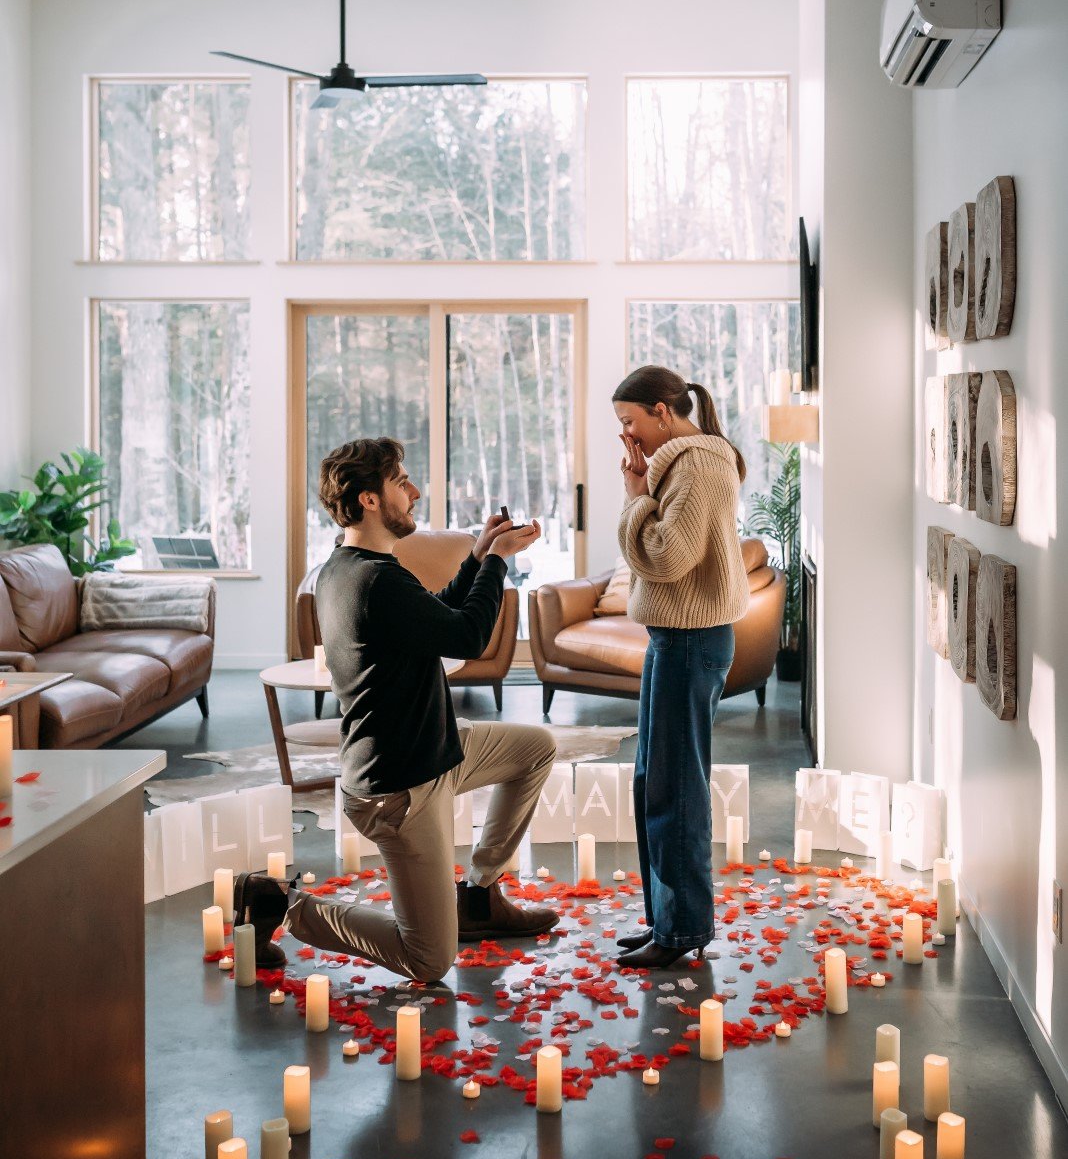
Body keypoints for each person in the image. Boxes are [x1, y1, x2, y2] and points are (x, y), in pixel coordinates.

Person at [236, 437, 559, 982]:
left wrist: (480, 553)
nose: (414, 491)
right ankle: (281, 903)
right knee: (428, 959)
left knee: (536, 748)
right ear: (367, 498)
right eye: (401, 481)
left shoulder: (351, 566)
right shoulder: (373, 581)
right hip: (401, 788)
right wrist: (499, 563)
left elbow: (435, 618)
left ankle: (478, 895)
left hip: (434, 746)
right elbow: (469, 636)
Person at [610, 366, 750, 970]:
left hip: (690, 641)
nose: (628, 435)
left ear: (663, 412)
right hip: (676, 637)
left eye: (630, 422)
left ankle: (683, 928)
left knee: (675, 791)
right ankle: (667, 921)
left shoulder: (698, 464)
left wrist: (635, 499)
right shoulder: (684, 463)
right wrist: (642, 489)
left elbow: (668, 558)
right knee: (654, 782)